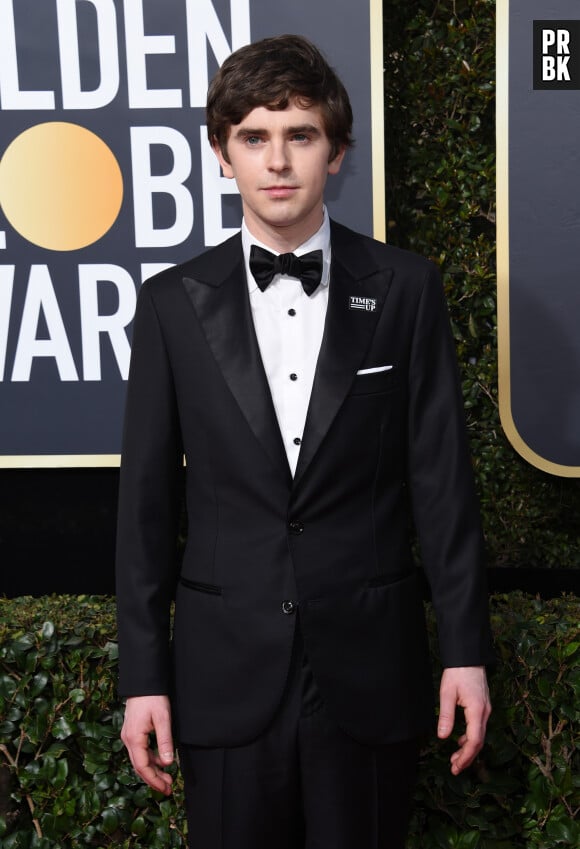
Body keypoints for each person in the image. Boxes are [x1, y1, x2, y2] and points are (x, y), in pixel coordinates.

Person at [116, 34, 494, 849]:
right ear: (222, 155)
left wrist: (466, 652)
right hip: (225, 676)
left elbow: (441, 483)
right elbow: (146, 507)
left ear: (337, 151)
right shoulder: (171, 306)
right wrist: (143, 676)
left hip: (368, 668)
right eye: (253, 137)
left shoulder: (407, 288)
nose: (277, 161)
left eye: (301, 135)